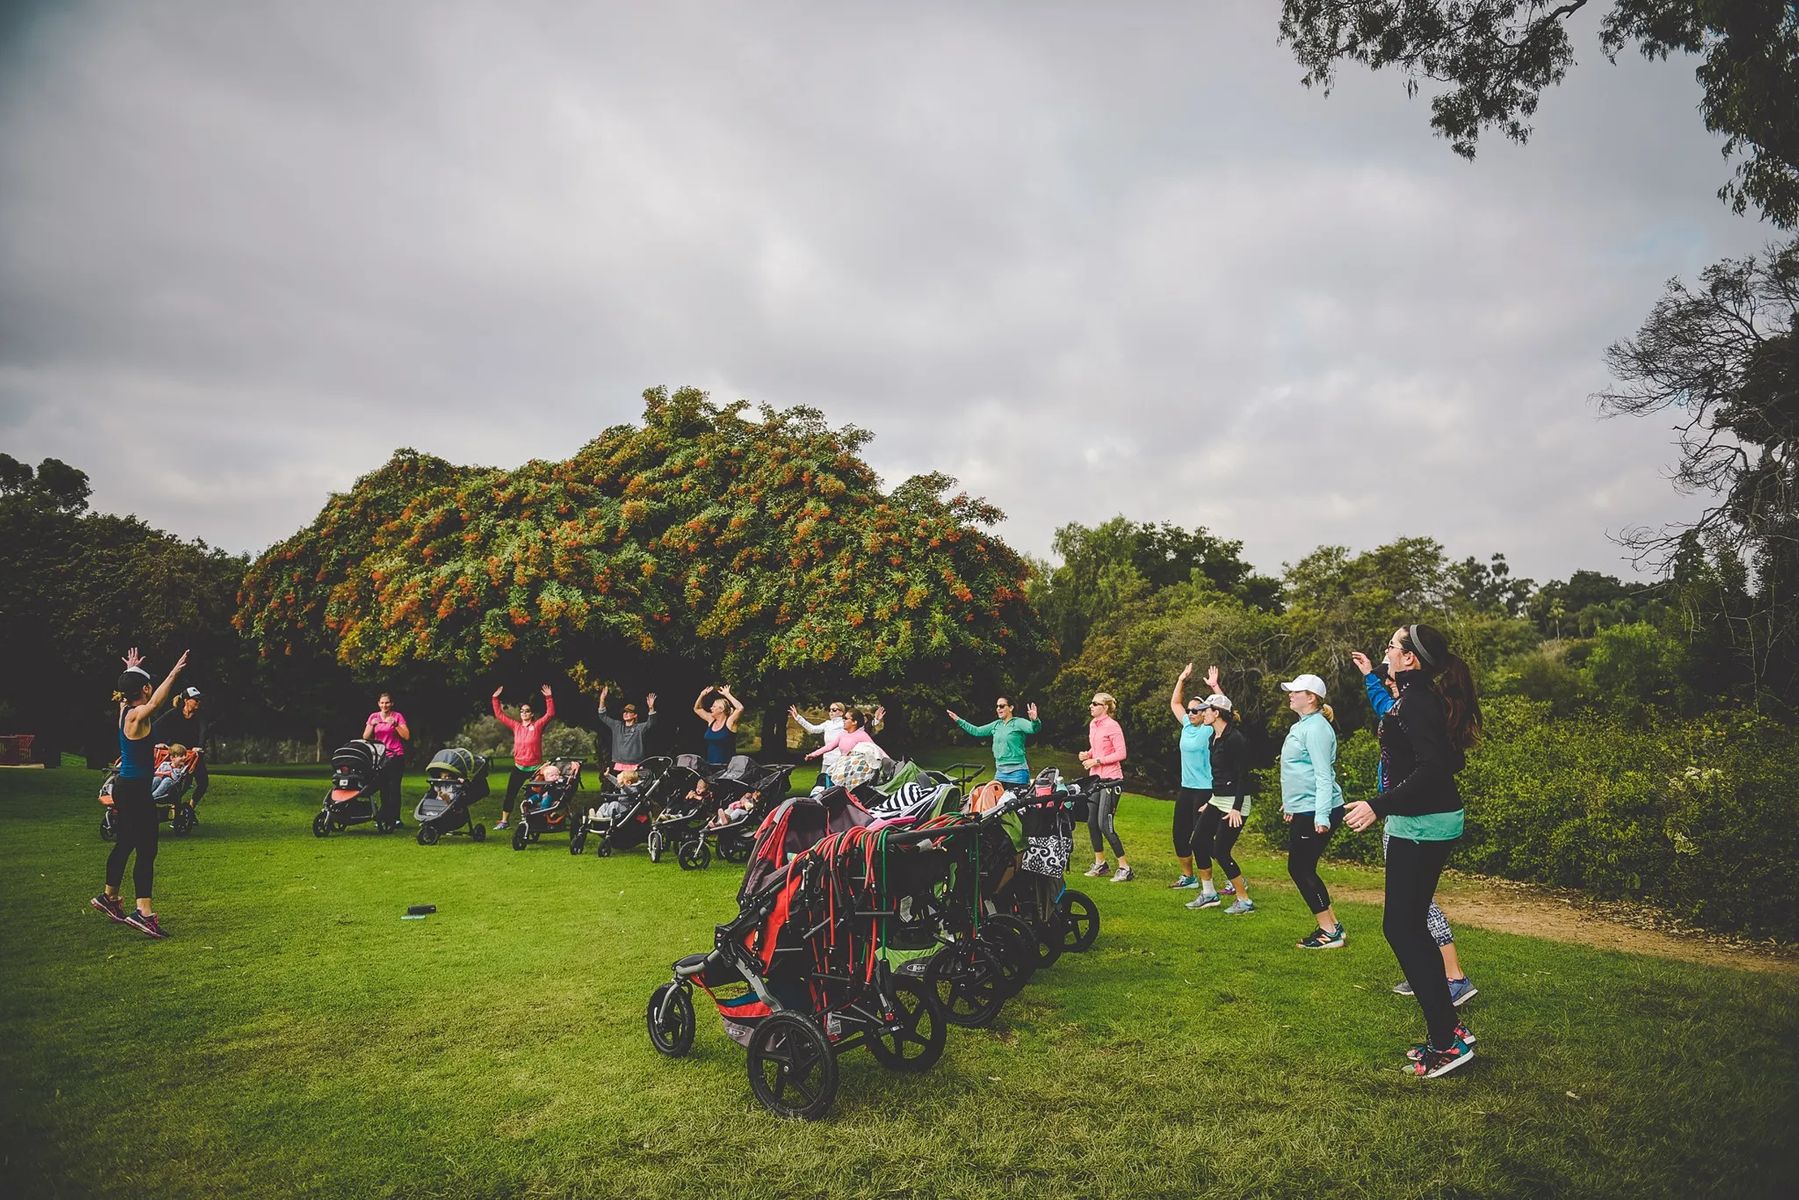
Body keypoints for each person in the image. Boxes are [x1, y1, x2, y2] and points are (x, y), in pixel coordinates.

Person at [1346, 624, 1484, 1078]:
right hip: (1423, 822)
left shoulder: (1419, 702)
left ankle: (1446, 1042)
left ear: (1411, 660)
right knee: (1409, 926)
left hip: (1423, 825)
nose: (1386, 647)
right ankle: (1450, 1030)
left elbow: (1436, 769)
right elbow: (1446, 759)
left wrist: (1377, 805)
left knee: (1401, 927)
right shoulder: (1413, 698)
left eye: (1393, 645)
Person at [92, 646, 190, 939]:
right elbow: (157, 701)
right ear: (145, 688)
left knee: (126, 843)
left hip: (125, 788)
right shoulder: (135, 715)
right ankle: (144, 914)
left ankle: (108, 897)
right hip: (135, 791)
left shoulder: (123, 711)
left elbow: (130, 690)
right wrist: (174, 672)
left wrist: (130, 671)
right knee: (147, 849)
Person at [1280, 672, 1346, 949]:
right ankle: (1333, 926)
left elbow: (1321, 775)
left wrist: (1320, 816)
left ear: (1312, 698)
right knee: (1303, 867)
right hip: (1305, 807)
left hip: (1318, 809)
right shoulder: (1304, 724)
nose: (1291, 695)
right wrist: (1291, 804)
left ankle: (1328, 932)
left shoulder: (1317, 727)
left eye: (1296, 691)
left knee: (1300, 868)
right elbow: (1298, 771)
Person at [1193, 693, 1255, 914]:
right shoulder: (1213, 738)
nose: (1202, 714)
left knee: (1221, 851)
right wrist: (1211, 801)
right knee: (1198, 842)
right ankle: (1209, 893)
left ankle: (1244, 899)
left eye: (1206, 710)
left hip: (1236, 802)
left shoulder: (1235, 739)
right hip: (1218, 799)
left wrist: (1237, 807)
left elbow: (1243, 776)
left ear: (1216, 713)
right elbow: (1220, 775)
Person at [1168, 663, 1221, 889]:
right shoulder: (1187, 727)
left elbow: (1224, 707)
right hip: (1186, 788)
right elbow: (1175, 703)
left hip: (1205, 789)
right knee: (1179, 835)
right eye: (1189, 711)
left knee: (1203, 839)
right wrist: (1181, 679)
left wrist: (1215, 687)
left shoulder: (1210, 729)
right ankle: (1188, 877)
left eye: (1195, 711)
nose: (1190, 713)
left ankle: (1230, 876)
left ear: (1206, 713)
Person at [1078, 692, 1132, 882]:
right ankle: (1100, 864)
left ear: (1106, 707)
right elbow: (1097, 748)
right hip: (1096, 780)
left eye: (1095, 703)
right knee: (1092, 822)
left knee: (1104, 824)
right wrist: (1088, 754)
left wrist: (1097, 760)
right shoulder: (1093, 724)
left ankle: (1125, 867)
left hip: (1112, 780)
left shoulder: (1113, 726)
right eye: (1091, 703)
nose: (1091, 706)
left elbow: (1121, 753)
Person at [492, 684, 555, 830]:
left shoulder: (538, 726)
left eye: (527, 711)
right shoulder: (516, 726)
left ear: (531, 714)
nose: (524, 713)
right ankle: (504, 821)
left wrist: (549, 697)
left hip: (535, 768)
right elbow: (499, 715)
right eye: (522, 711)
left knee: (536, 794)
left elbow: (550, 714)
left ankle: (539, 819)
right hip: (519, 767)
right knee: (510, 794)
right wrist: (495, 698)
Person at [946, 696, 1040, 787]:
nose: (998, 709)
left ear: (1011, 708)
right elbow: (977, 731)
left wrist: (1035, 720)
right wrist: (959, 720)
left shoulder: (1018, 722)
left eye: (1002, 706)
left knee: (1015, 802)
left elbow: (1033, 729)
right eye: (997, 706)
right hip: (1000, 773)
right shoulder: (996, 725)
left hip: (1018, 773)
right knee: (997, 802)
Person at [152, 686, 210, 816]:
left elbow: (203, 731)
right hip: (177, 754)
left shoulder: (200, 716)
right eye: (195, 700)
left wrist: (200, 746)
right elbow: (155, 727)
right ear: (186, 700)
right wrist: (159, 743)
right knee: (180, 784)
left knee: (203, 783)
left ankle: (190, 808)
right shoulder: (174, 713)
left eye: (199, 700)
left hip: (193, 754)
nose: (198, 703)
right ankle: (176, 811)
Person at [361, 692, 411, 829]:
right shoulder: (373, 716)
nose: (385, 705)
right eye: (382, 703)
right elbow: (365, 737)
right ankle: (384, 816)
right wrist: (371, 725)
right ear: (378, 704)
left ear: (392, 703)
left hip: (395, 756)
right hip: (380, 757)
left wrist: (395, 725)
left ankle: (395, 818)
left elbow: (406, 736)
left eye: (387, 702)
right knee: (383, 787)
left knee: (394, 788)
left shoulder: (397, 716)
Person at [805, 707, 889, 777]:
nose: (843, 720)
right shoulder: (842, 734)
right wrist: (813, 754)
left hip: (855, 773)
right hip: (842, 769)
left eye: (846, 718)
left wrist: (889, 761)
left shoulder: (862, 735)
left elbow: (875, 750)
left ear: (854, 722)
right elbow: (829, 747)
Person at [597, 687, 657, 775]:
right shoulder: (617, 726)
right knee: (619, 787)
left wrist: (651, 708)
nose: (625, 714)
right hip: (618, 766)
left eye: (629, 712)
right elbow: (603, 716)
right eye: (624, 712)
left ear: (635, 715)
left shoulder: (640, 728)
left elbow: (651, 722)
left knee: (634, 788)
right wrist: (602, 699)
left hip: (636, 766)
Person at [694, 684, 744, 766]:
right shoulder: (711, 721)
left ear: (721, 709)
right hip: (710, 767)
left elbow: (740, 708)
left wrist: (727, 695)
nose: (711, 708)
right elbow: (697, 709)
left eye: (714, 706)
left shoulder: (729, 723)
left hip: (726, 769)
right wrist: (701, 695)